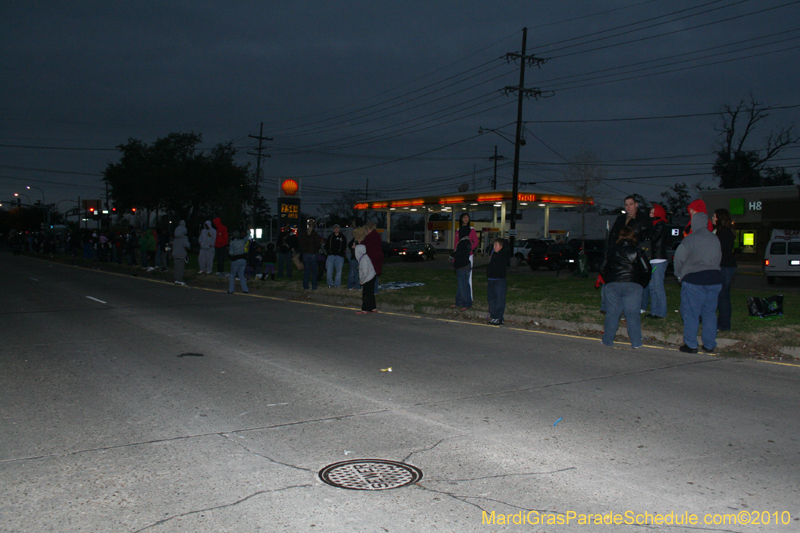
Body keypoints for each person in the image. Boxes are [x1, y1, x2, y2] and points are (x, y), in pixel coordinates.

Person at [674, 210, 722, 353]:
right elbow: (719, 258)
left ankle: (690, 344)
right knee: (709, 313)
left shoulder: (690, 239)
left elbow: (679, 259)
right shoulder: (715, 239)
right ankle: (709, 344)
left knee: (691, 313)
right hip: (714, 279)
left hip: (694, 280)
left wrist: (679, 274)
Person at [599, 226, 651, 349]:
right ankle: (636, 342)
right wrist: (641, 284)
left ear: (620, 237)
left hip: (613, 284)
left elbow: (602, 268)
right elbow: (646, 269)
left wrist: (609, 280)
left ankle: (607, 340)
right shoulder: (637, 251)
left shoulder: (610, 250)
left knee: (612, 314)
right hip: (632, 284)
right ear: (632, 236)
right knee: (633, 315)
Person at [602, 195, 650, 314]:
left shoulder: (643, 219)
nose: (629, 207)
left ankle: (639, 307)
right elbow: (613, 235)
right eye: (626, 205)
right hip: (618, 252)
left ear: (636, 205)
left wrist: (638, 251)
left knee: (636, 280)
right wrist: (611, 249)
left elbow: (646, 237)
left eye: (631, 204)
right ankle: (606, 307)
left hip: (633, 254)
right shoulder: (620, 219)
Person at [642, 203, 669, 319]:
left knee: (657, 287)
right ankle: (654, 311)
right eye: (650, 212)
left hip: (659, 259)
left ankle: (661, 312)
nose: (650, 214)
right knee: (652, 287)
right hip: (653, 259)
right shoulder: (654, 224)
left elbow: (652, 238)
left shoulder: (660, 224)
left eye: (653, 212)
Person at [713, 208, 737, 332]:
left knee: (723, 296)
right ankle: (721, 322)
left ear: (720, 218)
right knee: (721, 295)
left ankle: (724, 324)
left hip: (725, 266)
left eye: (714, 216)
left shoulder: (725, 232)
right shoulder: (721, 231)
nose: (712, 218)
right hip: (724, 265)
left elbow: (723, 251)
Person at [450, 219, 475, 311]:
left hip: (462, 266)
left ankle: (467, 303)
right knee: (461, 285)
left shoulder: (463, 242)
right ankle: (458, 302)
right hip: (463, 266)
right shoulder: (465, 241)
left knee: (464, 286)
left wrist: (452, 255)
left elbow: (460, 253)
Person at [487, 237, 511, 325]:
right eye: (494, 245)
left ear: (501, 247)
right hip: (491, 279)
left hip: (499, 280)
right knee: (491, 299)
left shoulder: (503, 255)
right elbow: (487, 249)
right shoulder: (493, 254)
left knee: (499, 299)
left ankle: (499, 317)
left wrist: (504, 240)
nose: (494, 247)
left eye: (496, 245)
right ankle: (494, 316)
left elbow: (508, 249)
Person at [353, 227, 377, 314]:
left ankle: (365, 309)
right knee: (371, 293)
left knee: (366, 294)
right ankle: (373, 308)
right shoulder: (366, 256)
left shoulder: (363, 259)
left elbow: (364, 271)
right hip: (372, 275)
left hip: (368, 277)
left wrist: (362, 280)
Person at [298, 218, 322, 290]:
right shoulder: (315, 234)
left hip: (306, 254)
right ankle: (314, 286)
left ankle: (305, 286)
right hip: (313, 254)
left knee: (306, 271)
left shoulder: (304, 234)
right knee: (314, 271)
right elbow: (318, 244)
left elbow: (300, 244)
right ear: (313, 225)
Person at [362, 221, 384, 293]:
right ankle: (375, 290)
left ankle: (373, 290)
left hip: (372, 257)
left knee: (371, 274)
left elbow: (365, 245)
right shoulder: (377, 235)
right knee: (375, 274)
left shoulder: (370, 236)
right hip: (377, 256)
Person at [171, 221, 190, 285]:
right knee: (181, 268)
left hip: (175, 254)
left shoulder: (175, 239)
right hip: (181, 254)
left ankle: (176, 279)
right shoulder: (184, 238)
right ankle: (180, 280)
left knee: (176, 268)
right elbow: (187, 246)